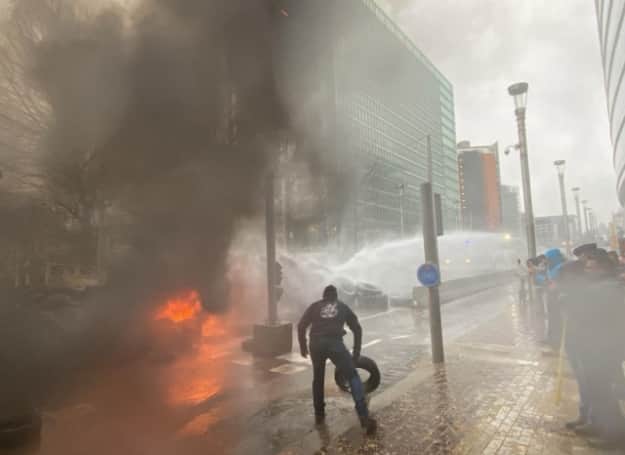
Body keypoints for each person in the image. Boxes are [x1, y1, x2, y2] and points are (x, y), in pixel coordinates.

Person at [297, 285, 377, 435]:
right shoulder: (342, 306)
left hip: (316, 344)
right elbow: (357, 328)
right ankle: (364, 416)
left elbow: (301, 326)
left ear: (324, 296)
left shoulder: (315, 306)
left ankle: (319, 415)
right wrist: (356, 353)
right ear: (335, 296)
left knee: (318, 378)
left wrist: (303, 346)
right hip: (335, 344)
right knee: (352, 376)